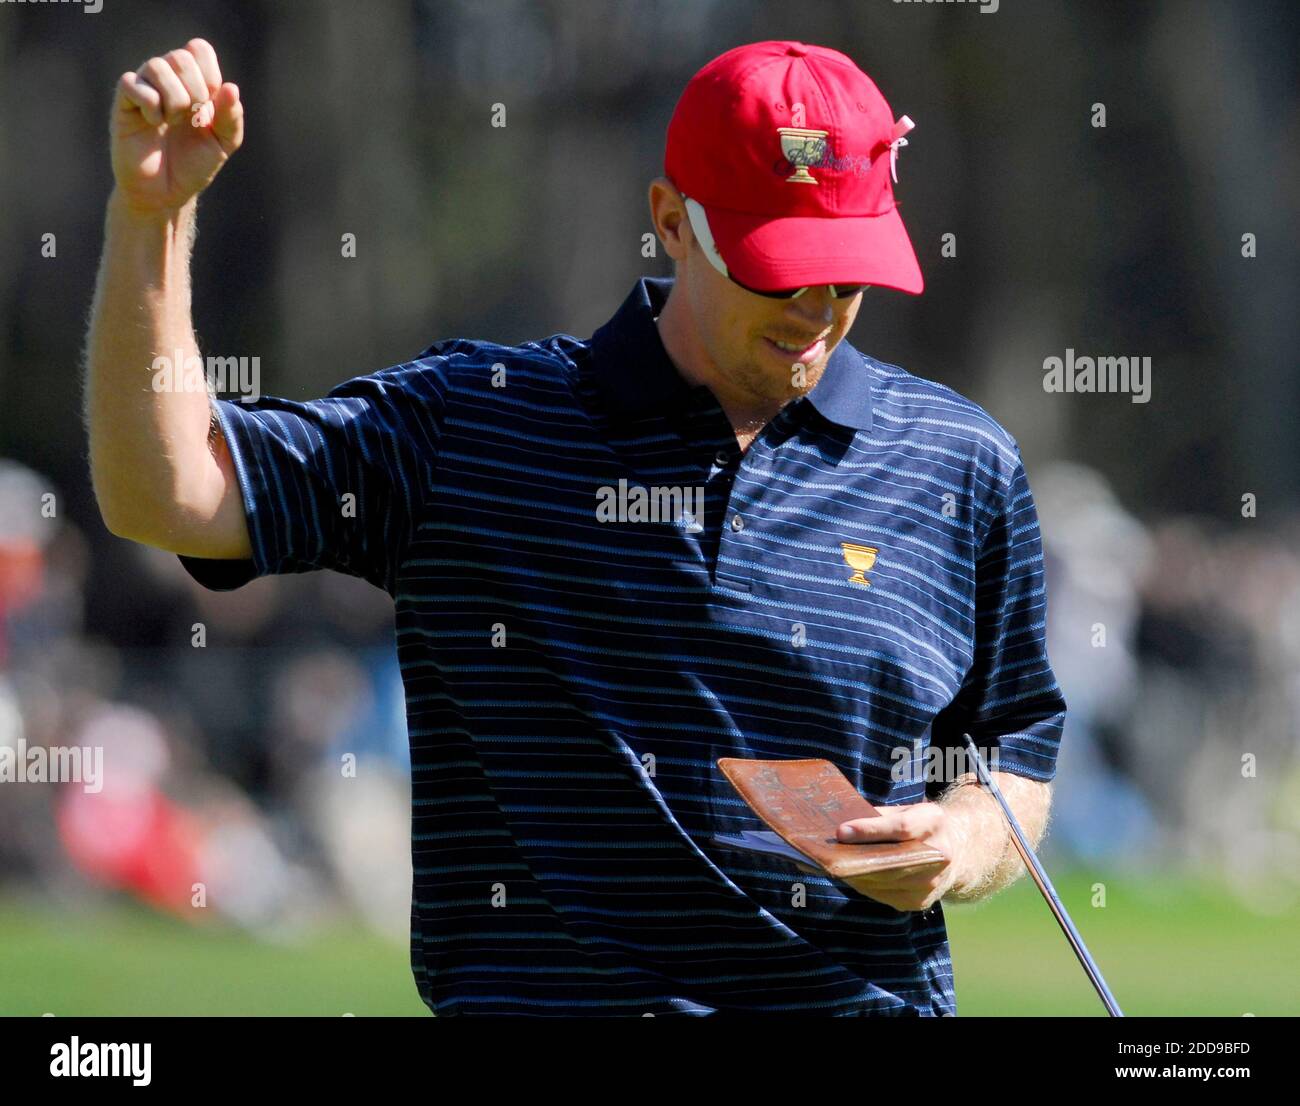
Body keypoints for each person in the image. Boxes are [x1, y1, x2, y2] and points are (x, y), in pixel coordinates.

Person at [86, 37, 1066, 1016]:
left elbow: (1012, 752)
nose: (815, 309)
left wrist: (964, 843)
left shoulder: (958, 462)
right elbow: (167, 493)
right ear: (672, 222)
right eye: (780, 269)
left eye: (845, 274)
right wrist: (154, 215)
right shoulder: (471, 422)